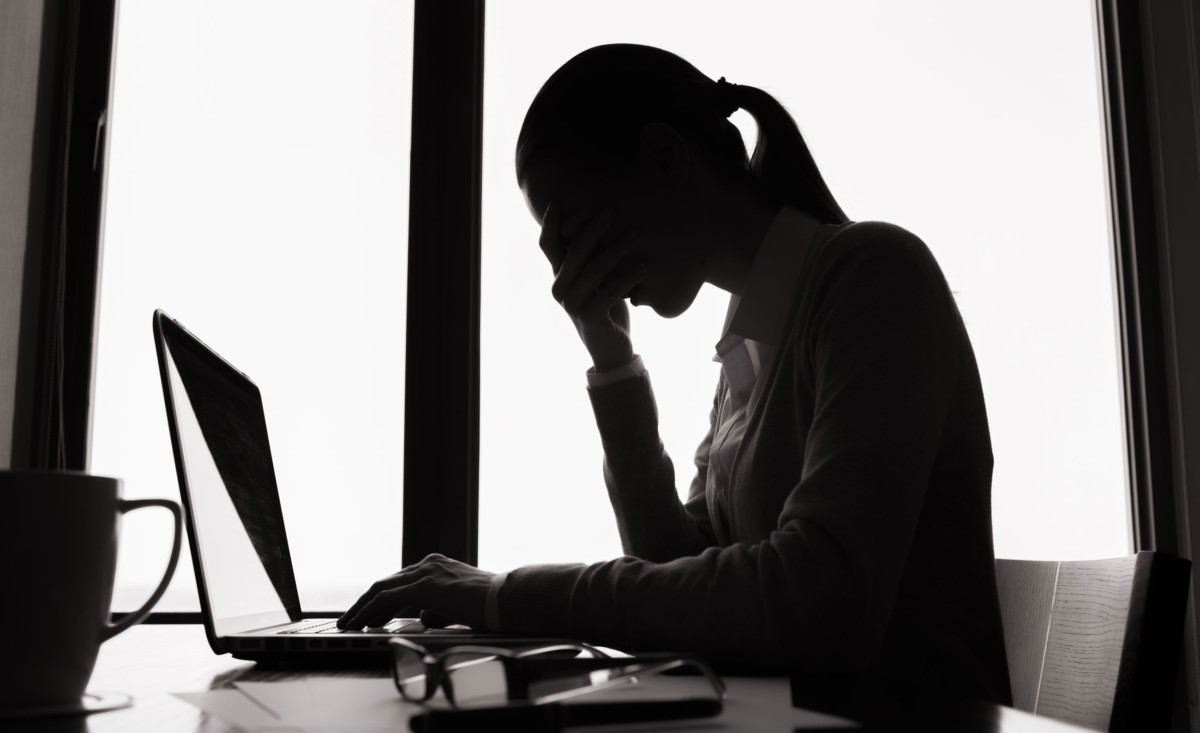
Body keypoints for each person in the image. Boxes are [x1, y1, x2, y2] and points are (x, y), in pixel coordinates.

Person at [339, 43, 1012, 716]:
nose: (565, 268)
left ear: (664, 157)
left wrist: (502, 593)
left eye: (571, 227)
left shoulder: (874, 275)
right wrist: (612, 362)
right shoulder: (750, 345)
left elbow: (822, 601)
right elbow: (679, 576)